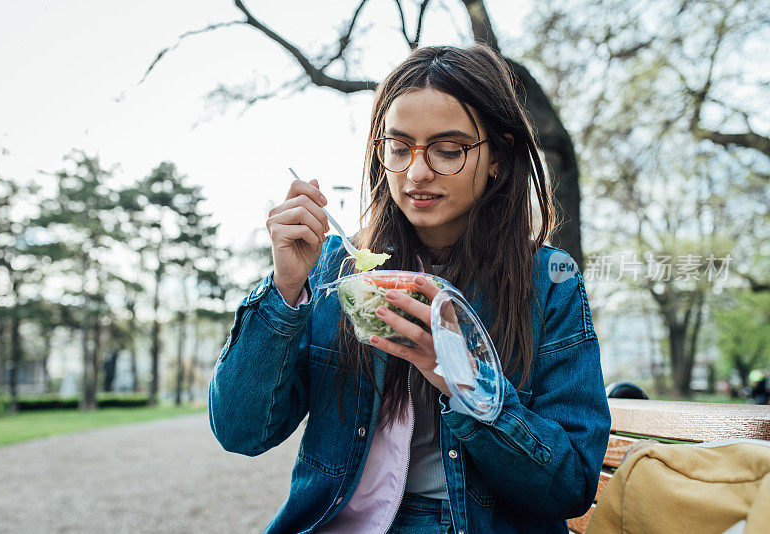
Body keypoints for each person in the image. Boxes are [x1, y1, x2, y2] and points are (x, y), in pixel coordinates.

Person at [209, 44, 611, 533]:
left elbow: (570, 486)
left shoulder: (548, 282)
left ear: (498, 159)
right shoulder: (334, 271)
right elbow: (241, 432)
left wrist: (466, 382)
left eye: (448, 151)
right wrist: (285, 289)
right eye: (399, 148)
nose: (417, 173)